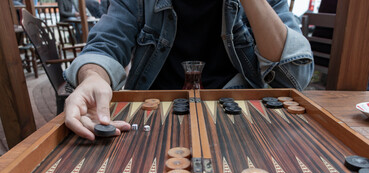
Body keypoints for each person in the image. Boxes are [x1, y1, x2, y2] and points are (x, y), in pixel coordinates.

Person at [64, 0, 314, 140]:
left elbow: (294, 76)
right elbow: (105, 43)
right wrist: (92, 77)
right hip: (157, 120)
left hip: (241, 121)